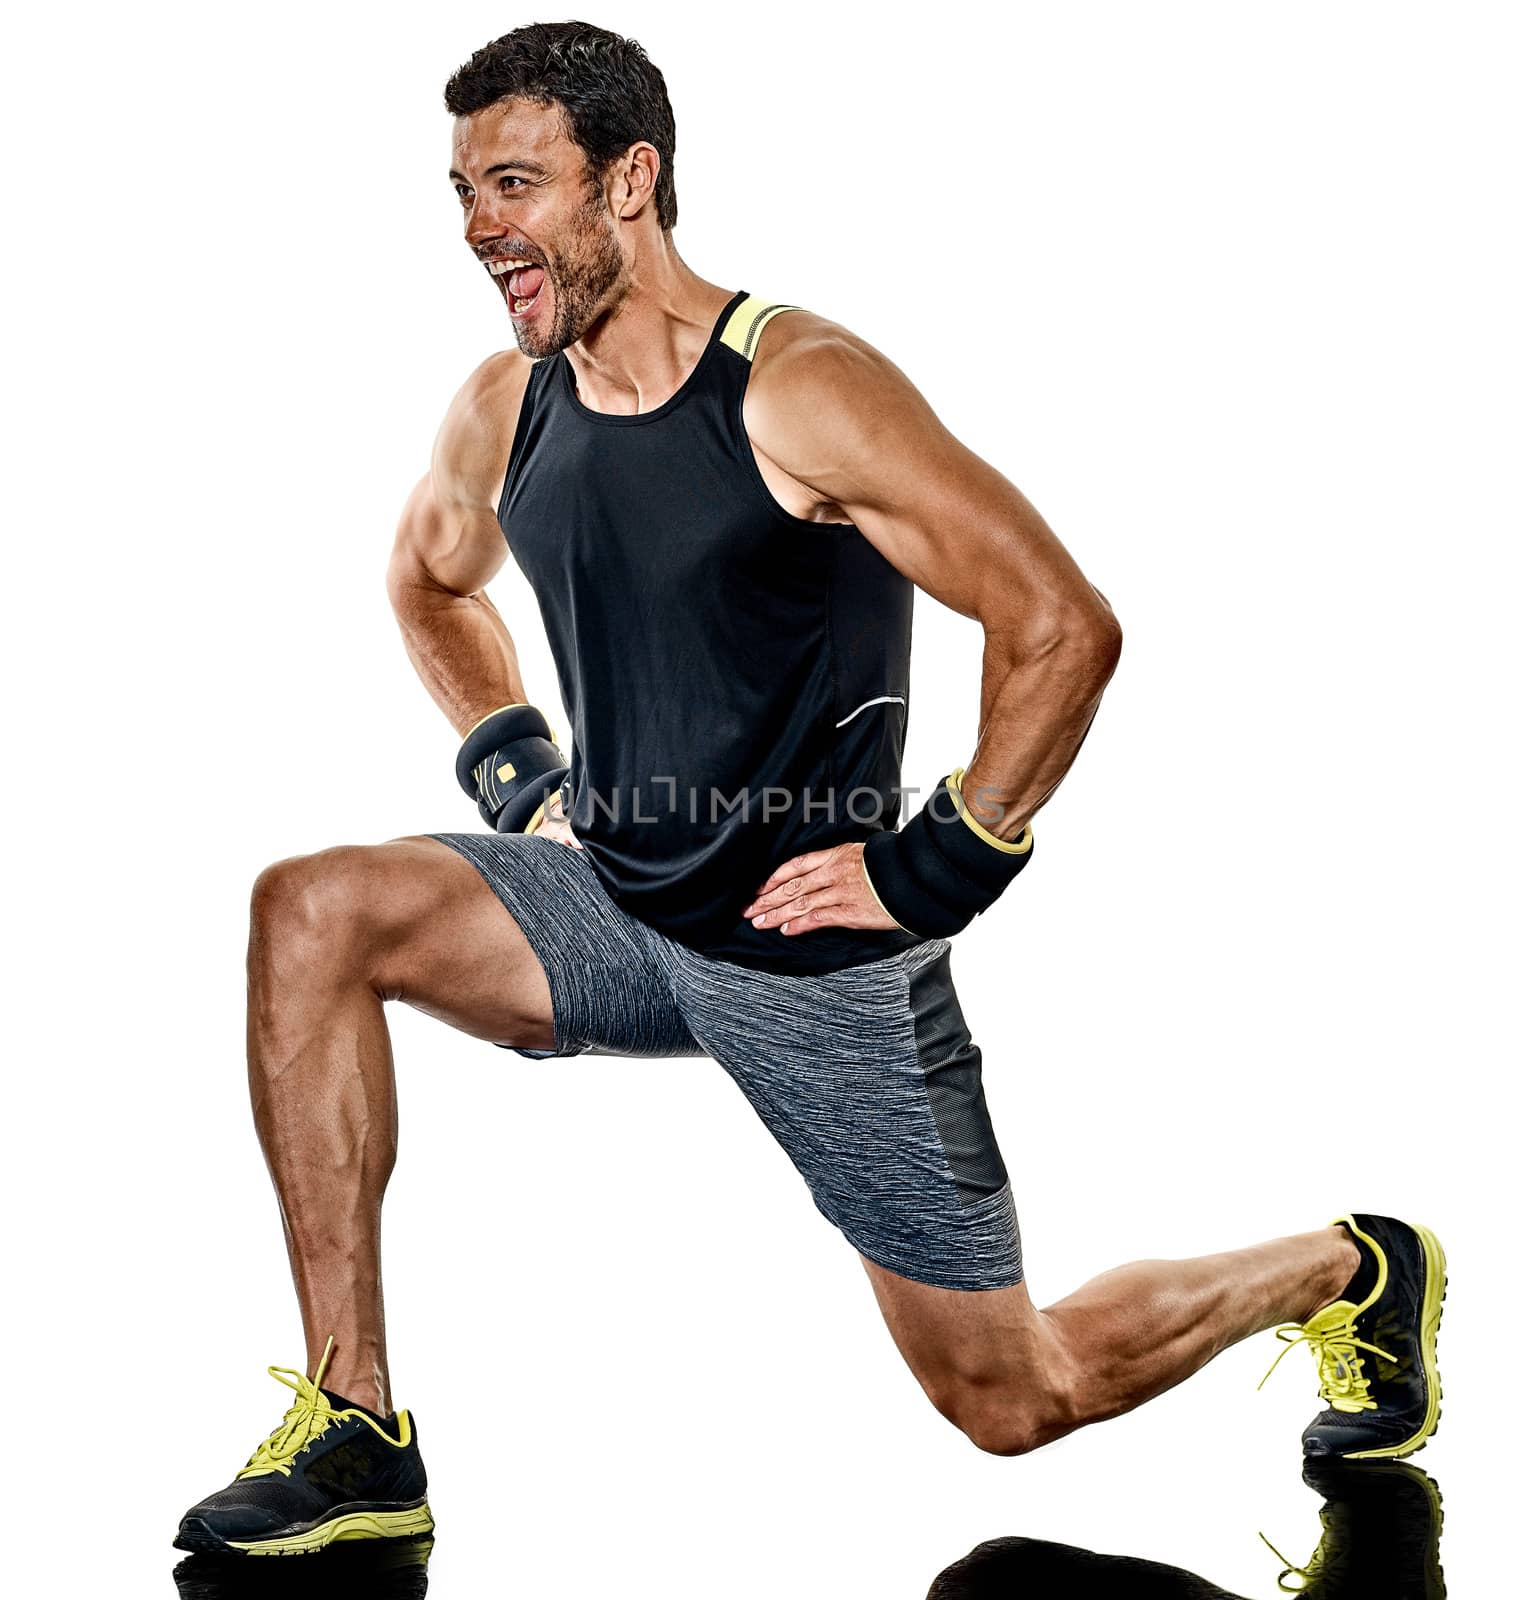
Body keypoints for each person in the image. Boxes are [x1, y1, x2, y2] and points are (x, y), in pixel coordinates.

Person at [174, 20, 1446, 1557]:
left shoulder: (802, 392)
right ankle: (361, 1435)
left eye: (514, 183)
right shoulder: (509, 410)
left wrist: (927, 875)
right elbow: (429, 581)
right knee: (312, 911)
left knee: (1013, 1397)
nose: (477, 227)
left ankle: (1349, 1268)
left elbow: (1061, 625)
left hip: (813, 958)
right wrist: (524, 781)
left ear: (628, 180)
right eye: (458, 191)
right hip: (620, 906)